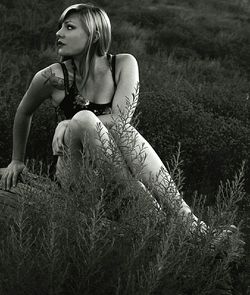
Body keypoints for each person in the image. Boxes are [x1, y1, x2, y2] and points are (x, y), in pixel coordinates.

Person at [0, 3, 238, 237]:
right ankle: (166, 220)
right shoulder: (52, 76)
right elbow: (23, 112)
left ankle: (187, 222)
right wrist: (16, 160)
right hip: (75, 174)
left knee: (118, 128)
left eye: (69, 27)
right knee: (83, 119)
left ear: (94, 34)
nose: (59, 33)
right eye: (60, 27)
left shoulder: (122, 65)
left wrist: (66, 123)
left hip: (114, 168)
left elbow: (121, 119)